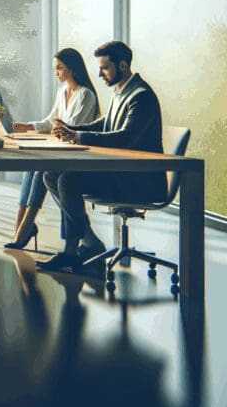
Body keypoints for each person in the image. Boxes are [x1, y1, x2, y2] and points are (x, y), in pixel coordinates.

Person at [39, 41, 164, 274]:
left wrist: (77, 136)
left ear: (123, 65)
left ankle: (71, 252)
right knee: (51, 175)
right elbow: (105, 124)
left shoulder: (141, 96)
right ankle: (90, 242)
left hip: (137, 179)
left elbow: (126, 137)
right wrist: (72, 129)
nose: (99, 74)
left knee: (68, 180)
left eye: (105, 68)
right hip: (120, 172)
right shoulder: (122, 91)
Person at [4, 48, 100, 249]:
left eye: (59, 68)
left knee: (42, 169)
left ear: (72, 68)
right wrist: (28, 126)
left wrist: (59, 128)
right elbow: (52, 121)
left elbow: (72, 128)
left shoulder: (86, 95)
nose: (56, 72)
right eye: (55, 68)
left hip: (75, 154)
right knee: (31, 166)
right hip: (60, 149)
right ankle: (20, 226)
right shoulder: (62, 91)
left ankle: (26, 227)